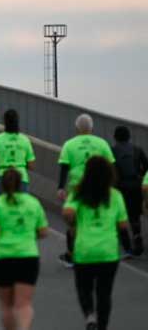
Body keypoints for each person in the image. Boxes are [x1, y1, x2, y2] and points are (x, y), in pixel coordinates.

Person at [63, 156, 130, 330]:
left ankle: (90, 315)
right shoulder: (115, 196)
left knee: (84, 288)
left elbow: (68, 213)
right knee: (104, 293)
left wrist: (73, 225)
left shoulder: (78, 193)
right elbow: (123, 225)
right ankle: (102, 327)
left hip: (84, 250)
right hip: (108, 252)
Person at [0, 169, 48, 330]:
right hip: (28, 256)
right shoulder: (33, 203)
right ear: (21, 184)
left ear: (2, 185)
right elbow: (43, 232)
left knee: (6, 306)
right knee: (23, 304)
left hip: (3, 257)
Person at [57, 114, 116, 268]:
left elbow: (64, 167)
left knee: (73, 223)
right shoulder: (102, 143)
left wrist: (60, 187)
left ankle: (72, 255)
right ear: (92, 128)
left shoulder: (69, 144)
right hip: (99, 187)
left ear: (77, 128)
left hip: (77, 189)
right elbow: (111, 166)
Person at [111, 125, 147, 256]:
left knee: (121, 215)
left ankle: (126, 247)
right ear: (129, 136)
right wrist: (140, 177)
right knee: (135, 215)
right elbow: (146, 167)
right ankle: (138, 239)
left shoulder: (112, 151)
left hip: (120, 188)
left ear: (115, 137)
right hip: (136, 186)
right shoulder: (137, 149)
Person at [0, 109, 35, 196]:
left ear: (5, 122)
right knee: (21, 208)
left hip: (3, 176)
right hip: (21, 177)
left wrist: (0, 167)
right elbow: (31, 165)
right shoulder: (25, 140)